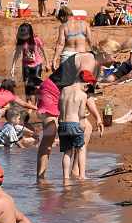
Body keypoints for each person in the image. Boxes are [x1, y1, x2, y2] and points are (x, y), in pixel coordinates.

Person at [36, 39, 119, 179]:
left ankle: (76, 172)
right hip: (51, 91)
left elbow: (87, 95)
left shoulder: (97, 65)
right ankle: (40, 178)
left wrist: (97, 118)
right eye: (115, 57)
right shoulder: (89, 63)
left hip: (66, 94)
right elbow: (79, 92)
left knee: (87, 129)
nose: (116, 61)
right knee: (50, 134)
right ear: (104, 54)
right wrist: (97, 117)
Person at [58, 70, 101, 183]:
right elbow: (81, 114)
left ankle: (66, 178)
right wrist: (84, 116)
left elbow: (59, 108)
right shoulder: (82, 94)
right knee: (81, 149)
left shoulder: (64, 90)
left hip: (62, 124)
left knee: (67, 152)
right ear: (86, 85)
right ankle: (82, 175)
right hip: (74, 124)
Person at [11, 23, 47, 104]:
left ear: (30, 33)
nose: (23, 37)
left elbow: (43, 50)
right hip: (26, 65)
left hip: (37, 64)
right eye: (22, 35)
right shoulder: (21, 41)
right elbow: (17, 54)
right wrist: (13, 67)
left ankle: (37, 104)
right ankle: (29, 103)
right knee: (27, 85)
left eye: (25, 35)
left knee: (36, 85)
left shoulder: (36, 39)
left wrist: (47, 63)